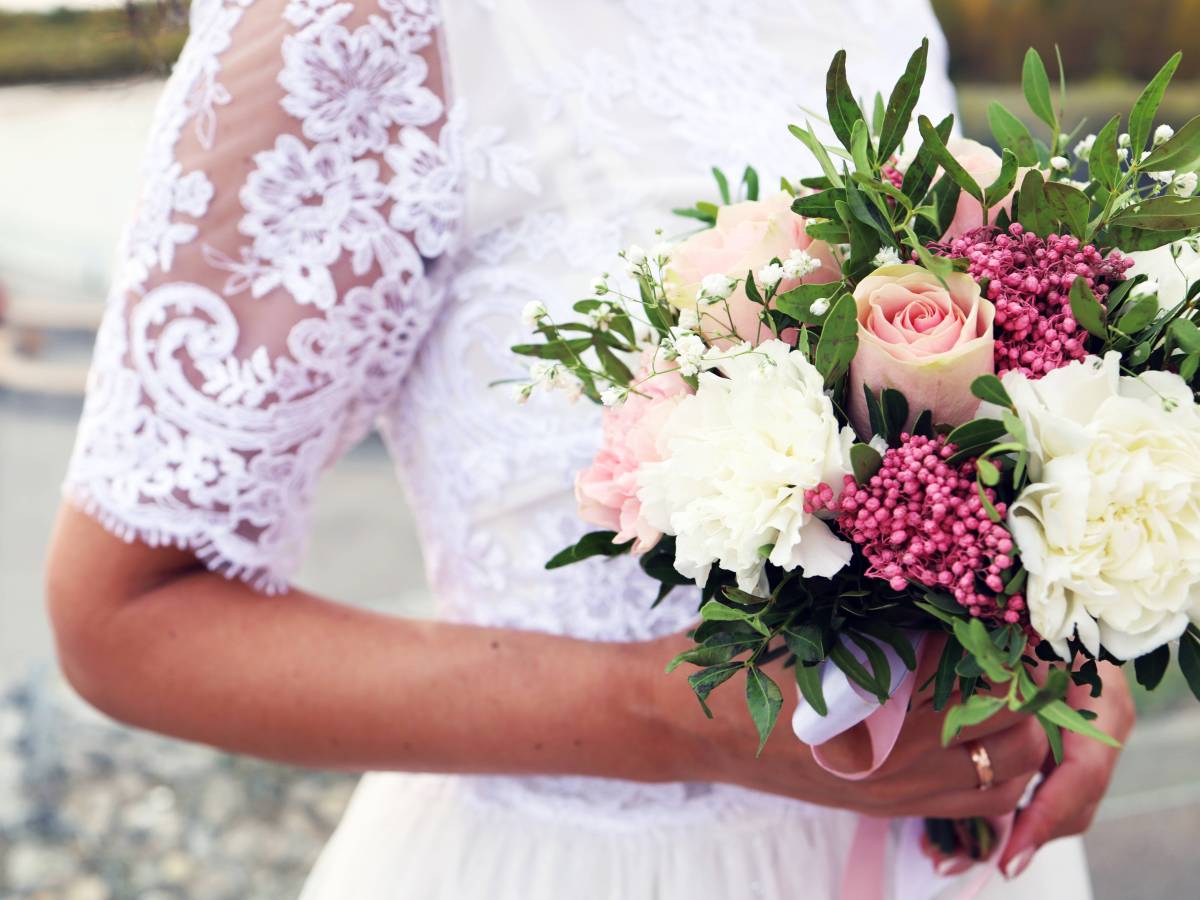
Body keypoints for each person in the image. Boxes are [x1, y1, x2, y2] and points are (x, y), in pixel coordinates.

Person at [43, 1, 1133, 896]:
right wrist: (671, 718)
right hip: (593, 863)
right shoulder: (357, 26)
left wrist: (1064, 652)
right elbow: (127, 614)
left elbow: (983, 413)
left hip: (962, 856)